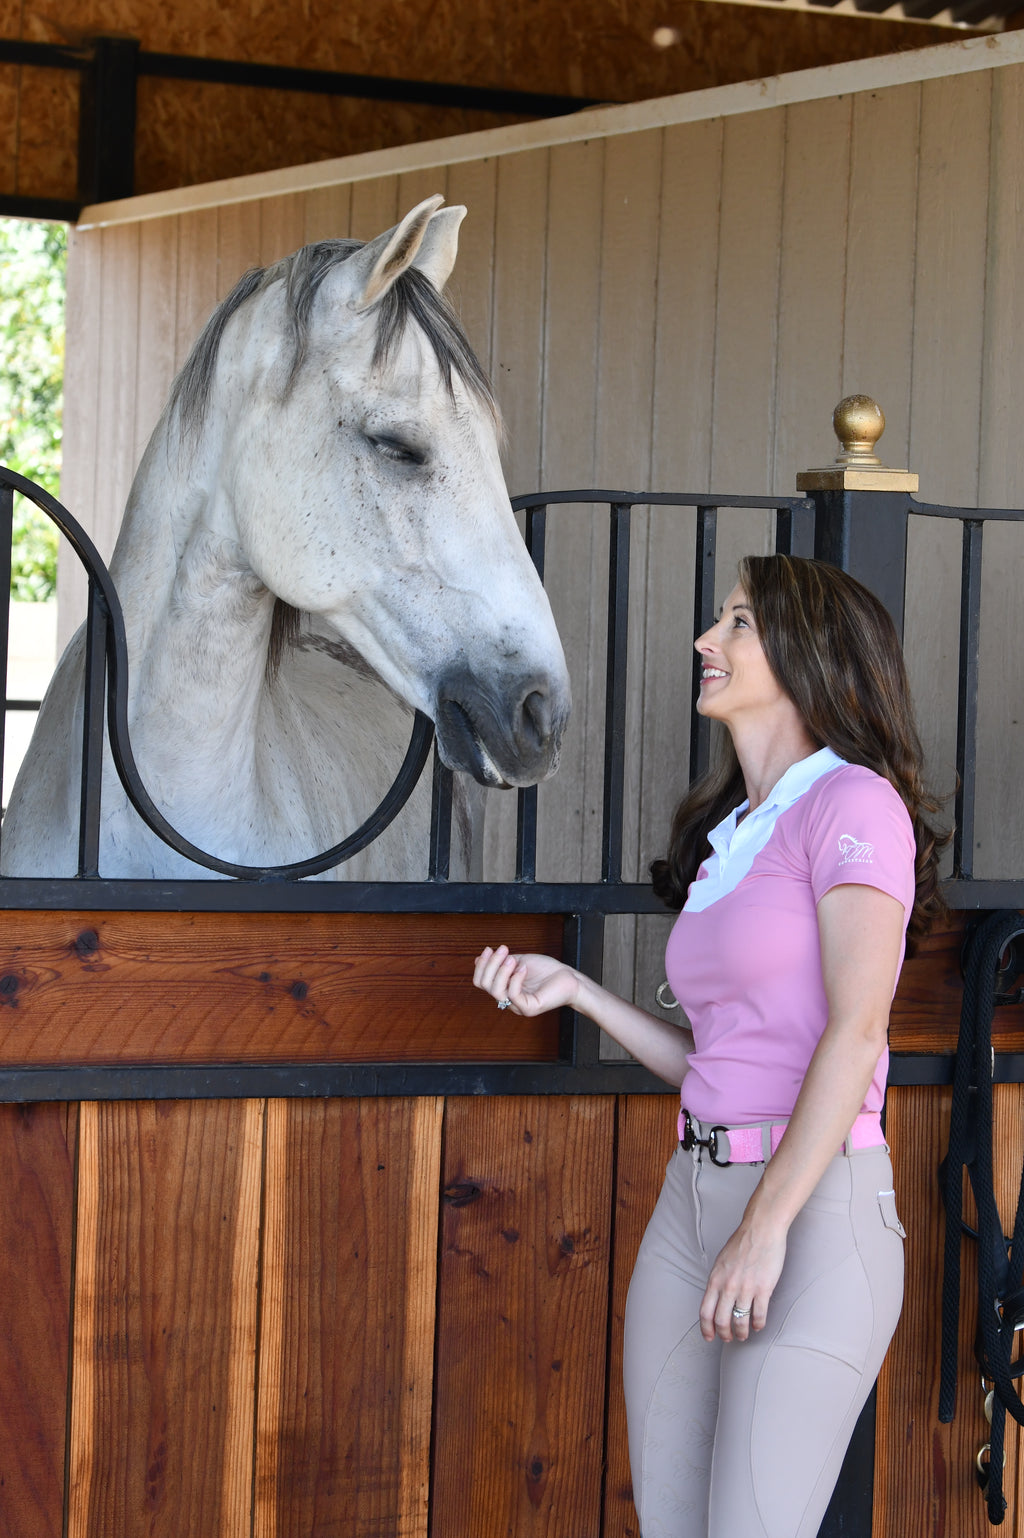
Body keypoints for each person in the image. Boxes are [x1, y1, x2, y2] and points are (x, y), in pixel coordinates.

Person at [472, 553, 946, 1538]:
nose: (706, 640)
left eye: (737, 621)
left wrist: (765, 1226)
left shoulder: (852, 804)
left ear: (810, 653)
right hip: (691, 1204)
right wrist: (580, 994)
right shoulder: (735, 828)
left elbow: (856, 1031)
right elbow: (720, 1065)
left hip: (812, 1214)